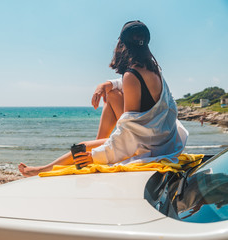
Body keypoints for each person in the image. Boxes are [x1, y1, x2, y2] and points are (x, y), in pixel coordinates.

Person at [18, 20, 188, 177]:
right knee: (113, 94)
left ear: (121, 45)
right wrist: (106, 85)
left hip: (149, 146)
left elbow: (130, 133)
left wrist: (96, 156)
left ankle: (40, 170)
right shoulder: (153, 68)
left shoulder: (131, 75)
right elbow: (133, 88)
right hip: (162, 138)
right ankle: (99, 143)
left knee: (81, 148)